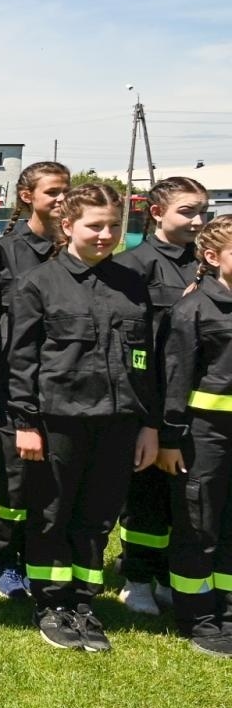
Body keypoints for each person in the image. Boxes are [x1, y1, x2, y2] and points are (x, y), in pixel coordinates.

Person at [8, 183, 159, 652]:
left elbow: (147, 361)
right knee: (53, 514)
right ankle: (51, 602)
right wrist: (26, 422)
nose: (106, 234)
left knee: (97, 517)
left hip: (117, 423)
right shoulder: (39, 283)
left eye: (115, 226)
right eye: (95, 226)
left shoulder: (133, 284)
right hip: (59, 420)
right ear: (68, 225)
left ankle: (83, 600)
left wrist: (148, 424)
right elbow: (20, 360)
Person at [0, 160, 69, 600]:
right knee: (14, 483)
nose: (62, 199)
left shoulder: (76, 249)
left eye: (67, 190)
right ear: (27, 196)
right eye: (53, 192)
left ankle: (42, 558)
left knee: (55, 482)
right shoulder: (3, 252)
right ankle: (4, 562)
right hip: (13, 385)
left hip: (66, 385)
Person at [114, 176, 208, 615]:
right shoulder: (133, 265)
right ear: (157, 213)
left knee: (185, 491)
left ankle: (170, 571)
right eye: (187, 211)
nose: (198, 220)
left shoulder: (208, 263)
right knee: (145, 493)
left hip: (198, 399)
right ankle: (137, 578)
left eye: (202, 211)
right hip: (149, 396)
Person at [158, 215, 232, 657]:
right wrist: (170, 438)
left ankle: (226, 606)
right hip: (205, 437)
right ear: (212, 257)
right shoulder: (195, 309)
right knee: (198, 523)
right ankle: (197, 615)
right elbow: (175, 378)